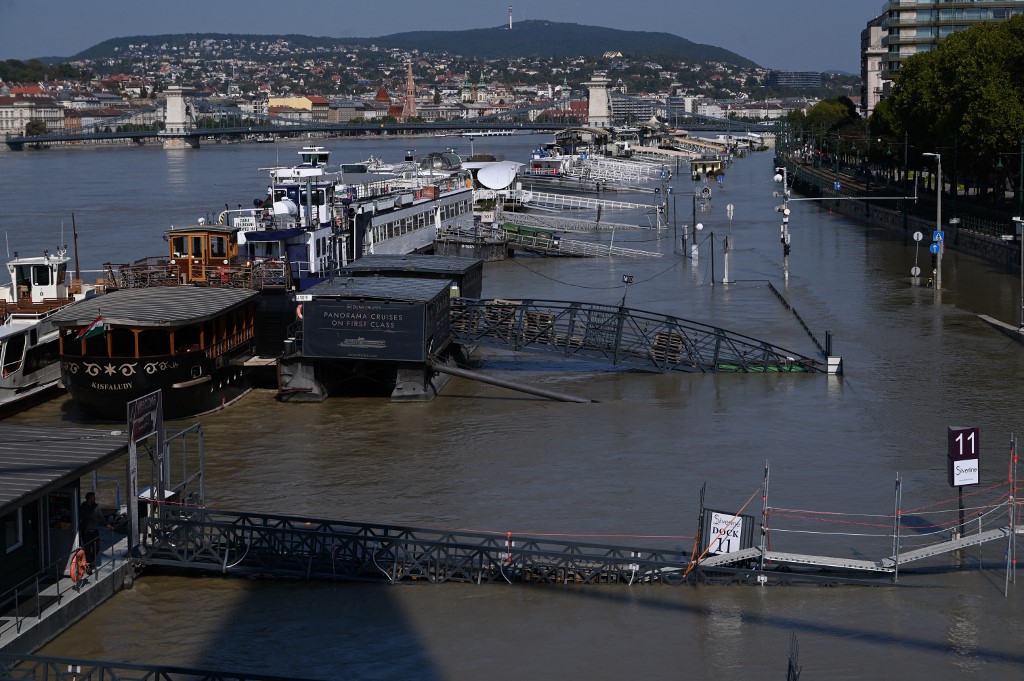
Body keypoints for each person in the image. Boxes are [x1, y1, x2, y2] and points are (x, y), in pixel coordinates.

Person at [78, 491, 112, 574]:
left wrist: (106, 524)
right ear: (89, 498)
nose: (95, 498)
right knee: (87, 549)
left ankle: (91, 560)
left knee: (97, 548)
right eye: (93, 497)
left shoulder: (96, 506)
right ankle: (88, 566)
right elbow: (79, 517)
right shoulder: (82, 506)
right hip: (86, 531)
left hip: (95, 531)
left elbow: (100, 516)